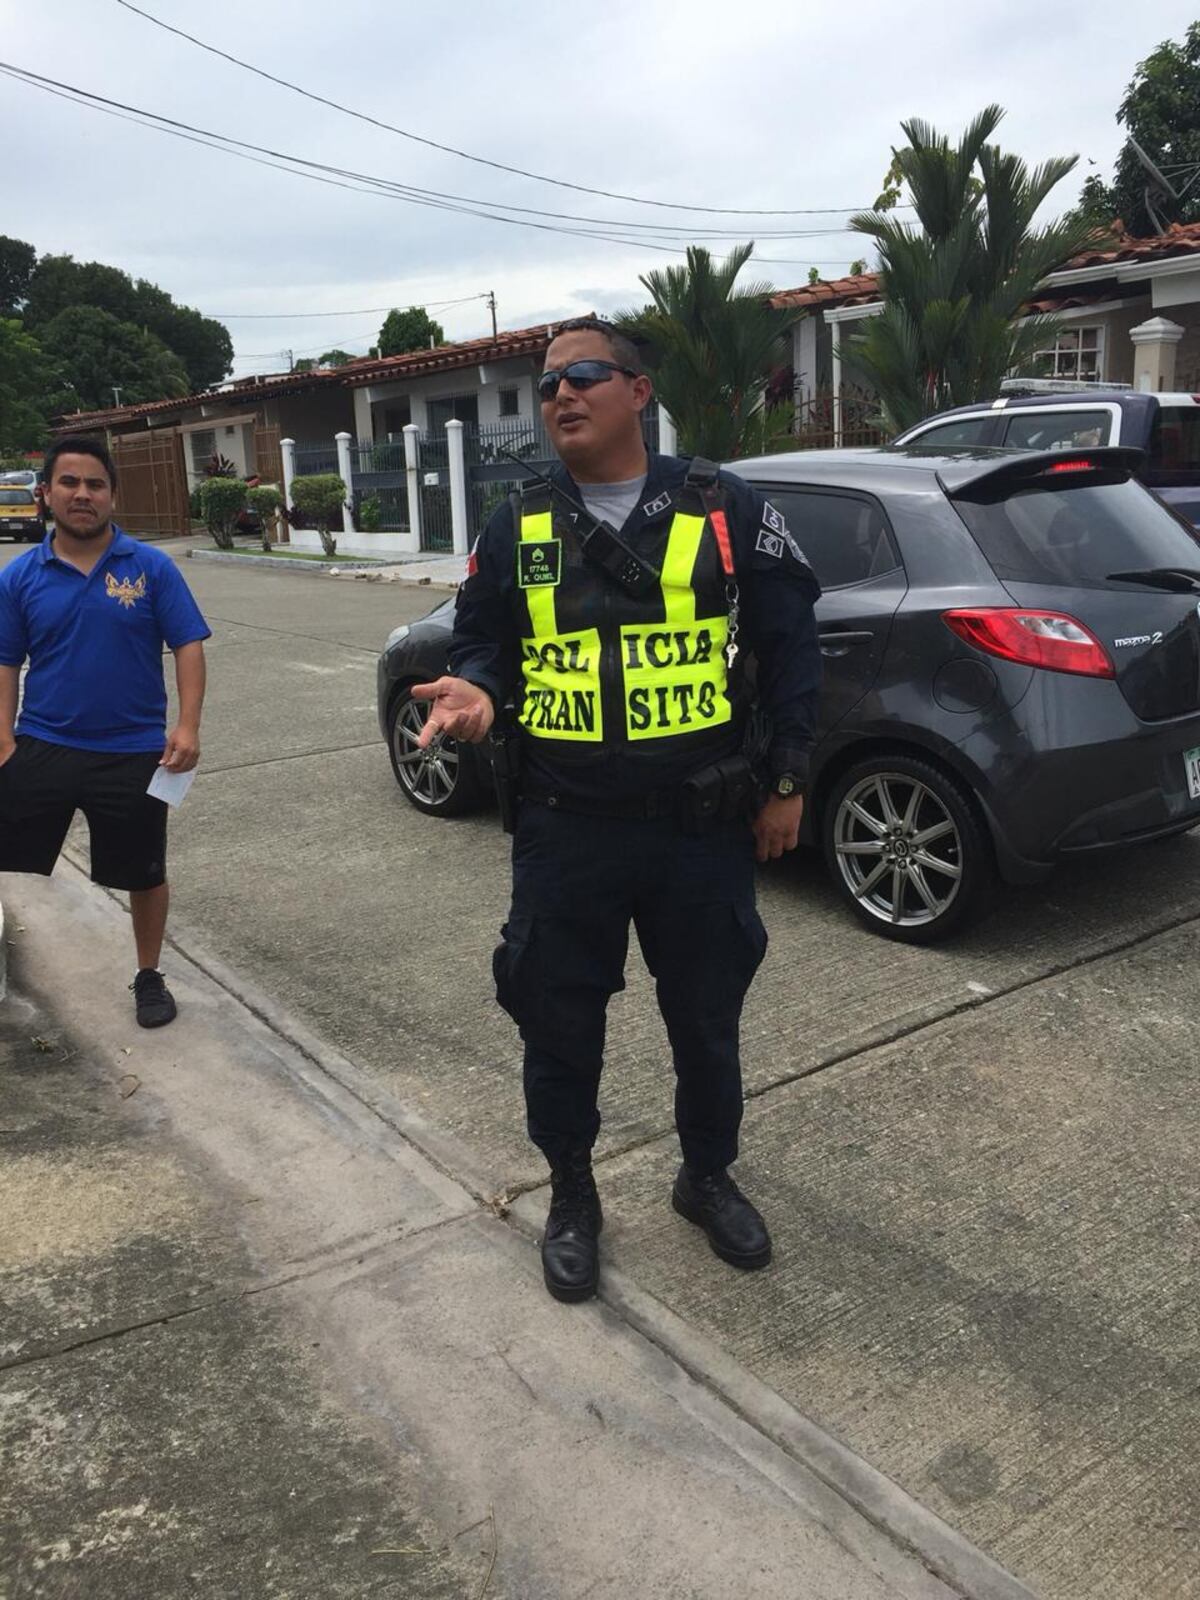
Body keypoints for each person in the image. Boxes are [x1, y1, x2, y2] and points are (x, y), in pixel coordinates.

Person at [413, 318, 821, 1303]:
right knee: (556, 1022)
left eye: (583, 375)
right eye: (548, 383)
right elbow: (480, 643)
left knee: (707, 1019)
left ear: (638, 392)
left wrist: (787, 781)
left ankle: (705, 1173)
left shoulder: (722, 506)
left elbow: (793, 643)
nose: (560, 395)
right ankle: (573, 1194)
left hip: (699, 828)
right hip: (566, 828)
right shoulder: (517, 523)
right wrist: (475, 691)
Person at [0, 436, 211, 1028]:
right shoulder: (21, 577)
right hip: (43, 742)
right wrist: (4, 742)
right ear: (45, 494)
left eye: (95, 484)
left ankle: (148, 976)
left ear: (113, 495)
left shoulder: (150, 568)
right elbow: (4, 661)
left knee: (145, 872)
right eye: (69, 482)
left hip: (134, 751)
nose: (83, 494)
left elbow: (188, 645)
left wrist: (187, 726)